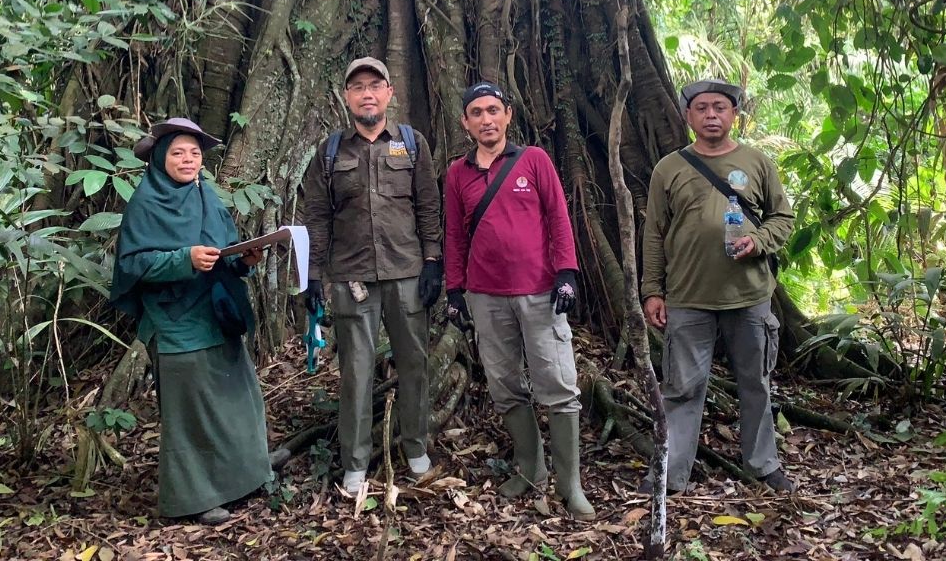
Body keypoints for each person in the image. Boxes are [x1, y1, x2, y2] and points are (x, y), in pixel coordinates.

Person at [109, 118, 284, 524]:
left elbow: (224, 252)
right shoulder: (145, 204)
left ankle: (251, 467)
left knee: (239, 395)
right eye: (177, 153)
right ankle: (196, 498)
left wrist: (244, 261)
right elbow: (132, 265)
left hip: (216, 312)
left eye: (194, 153)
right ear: (158, 159)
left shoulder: (206, 197)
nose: (188, 160)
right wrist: (182, 259)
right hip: (174, 321)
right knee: (190, 412)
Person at [443, 82, 596, 521]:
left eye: (494, 110)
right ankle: (530, 468)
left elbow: (558, 217)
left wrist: (566, 274)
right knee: (505, 383)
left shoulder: (534, 160)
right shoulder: (458, 173)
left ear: (508, 115)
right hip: (485, 295)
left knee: (557, 384)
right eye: (477, 112)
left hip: (538, 292)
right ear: (465, 123)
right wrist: (455, 290)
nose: (486, 119)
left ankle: (570, 485)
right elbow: (455, 234)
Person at [641, 79, 796, 494]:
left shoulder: (757, 162)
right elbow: (654, 233)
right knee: (682, 387)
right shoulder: (668, 168)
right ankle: (671, 475)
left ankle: (764, 465)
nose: (712, 115)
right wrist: (652, 291)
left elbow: (782, 218)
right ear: (688, 116)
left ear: (734, 115)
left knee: (755, 381)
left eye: (721, 108)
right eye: (703, 108)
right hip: (688, 295)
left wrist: (758, 240)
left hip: (749, 294)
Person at [301, 57, 443, 495]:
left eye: (375, 85)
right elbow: (317, 218)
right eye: (357, 86)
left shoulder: (411, 143)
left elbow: (428, 206)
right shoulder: (330, 152)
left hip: (406, 273)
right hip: (351, 277)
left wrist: (434, 261)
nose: (367, 93)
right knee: (356, 372)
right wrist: (312, 278)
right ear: (346, 97)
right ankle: (356, 462)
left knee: (414, 365)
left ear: (389, 93)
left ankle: (416, 448)